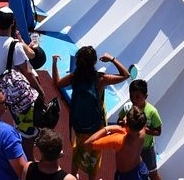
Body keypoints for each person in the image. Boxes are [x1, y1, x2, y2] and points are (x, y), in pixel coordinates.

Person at [52, 46, 130, 180]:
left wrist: (54, 63)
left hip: (79, 125)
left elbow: (58, 83)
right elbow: (126, 75)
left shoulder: (74, 77)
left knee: (78, 151)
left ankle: (73, 175)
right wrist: (112, 59)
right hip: (96, 126)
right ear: (94, 62)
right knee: (94, 156)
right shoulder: (101, 79)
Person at [0, 7, 47, 145]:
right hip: (24, 93)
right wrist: (41, 91)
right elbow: (27, 72)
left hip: (8, 91)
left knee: (19, 121)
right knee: (31, 131)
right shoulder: (15, 46)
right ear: (12, 22)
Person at [86, 106, 149, 180]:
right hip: (141, 169)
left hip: (126, 176)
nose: (124, 117)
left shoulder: (120, 140)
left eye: (126, 117)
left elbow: (88, 144)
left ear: (126, 122)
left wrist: (108, 128)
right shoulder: (142, 130)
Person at [117, 79, 163, 180]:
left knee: (153, 174)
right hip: (131, 147)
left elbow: (158, 131)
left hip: (146, 149)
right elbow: (119, 121)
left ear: (145, 96)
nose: (134, 100)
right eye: (131, 96)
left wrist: (144, 129)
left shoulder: (152, 111)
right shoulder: (127, 108)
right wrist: (124, 123)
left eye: (137, 97)